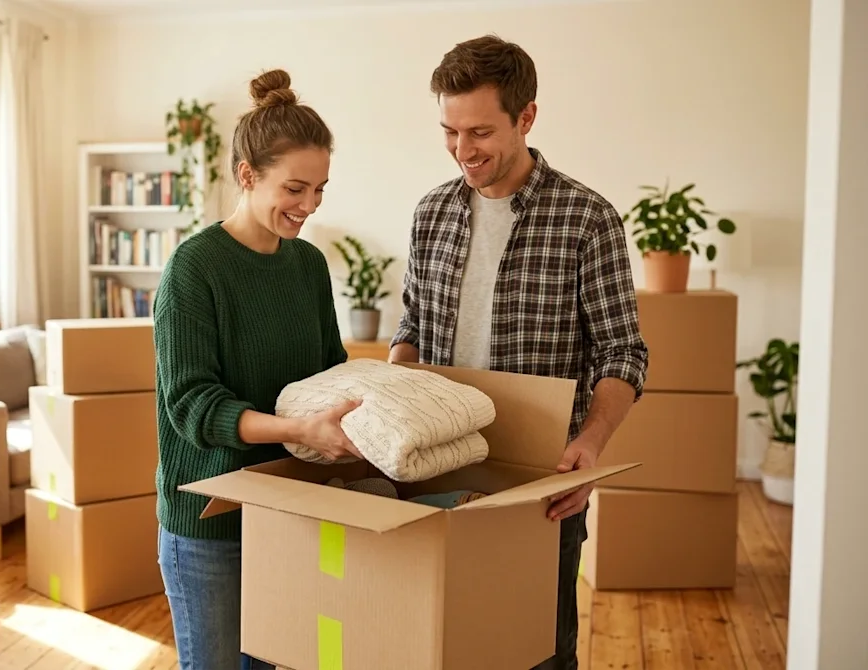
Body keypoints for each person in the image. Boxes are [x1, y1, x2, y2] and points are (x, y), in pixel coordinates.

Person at [388, 35, 649, 669]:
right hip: (436, 477)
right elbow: (413, 326)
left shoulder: (588, 219)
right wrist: (392, 394)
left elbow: (623, 352)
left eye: (479, 132)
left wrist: (589, 448)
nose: (462, 150)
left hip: (538, 489)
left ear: (526, 117)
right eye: (449, 131)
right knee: (439, 645)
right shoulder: (431, 214)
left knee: (538, 654)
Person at [153, 68, 364, 670]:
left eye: (320, 189)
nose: (309, 206)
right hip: (208, 526)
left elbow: (330, 369)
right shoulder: (195, 270)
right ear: (247, 176)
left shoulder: (308, 266)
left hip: (289, 510)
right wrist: (299, 430)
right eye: (295, 188)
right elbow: (193, 406)